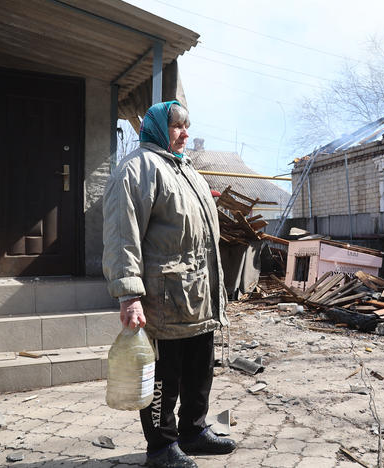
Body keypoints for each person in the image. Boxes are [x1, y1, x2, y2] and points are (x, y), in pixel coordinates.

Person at [102, 101, 234, 468]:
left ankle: (193, 432)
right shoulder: (137, 169)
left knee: (199, 369)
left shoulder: (186, 170)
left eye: (186, 126)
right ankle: (161, 447)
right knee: (165, 375)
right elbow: (121, 236)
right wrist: (129, 295)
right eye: (177, 126)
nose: (185, 133)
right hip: (162, 298)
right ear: (158, 128)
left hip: (197, 296)